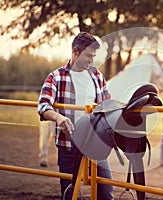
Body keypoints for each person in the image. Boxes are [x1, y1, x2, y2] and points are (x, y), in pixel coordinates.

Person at [37, 32, 113, 200]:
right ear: (75, 52)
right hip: (68, 147)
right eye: (88, 55)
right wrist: (58, 118)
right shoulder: (56, 77)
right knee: (70, 195)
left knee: (106, 195)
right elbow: (43, 105)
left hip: (96, 147)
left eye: (93, 56)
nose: (91, 60)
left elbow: (107, 105)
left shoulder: (97, 77)